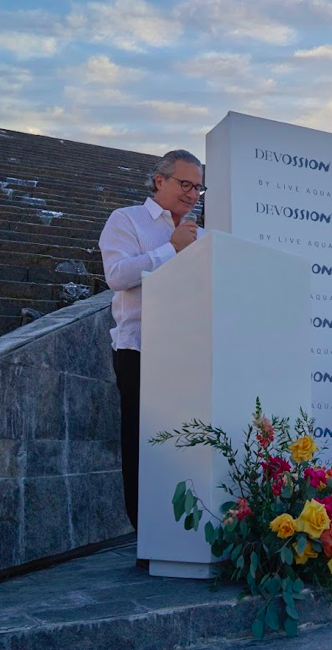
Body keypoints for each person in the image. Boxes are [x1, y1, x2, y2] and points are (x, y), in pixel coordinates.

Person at [99, 149, 206, 531]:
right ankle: (146, 534)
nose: (192, 194)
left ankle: (183, 531)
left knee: (185, 445)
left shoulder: (201, 236)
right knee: (142, 444)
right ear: (160, 180)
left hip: (191, 353)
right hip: (140, 350)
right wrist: (170, 249)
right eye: (185, 184)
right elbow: (116, 275)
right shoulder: (127, 220)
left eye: (198, 188)